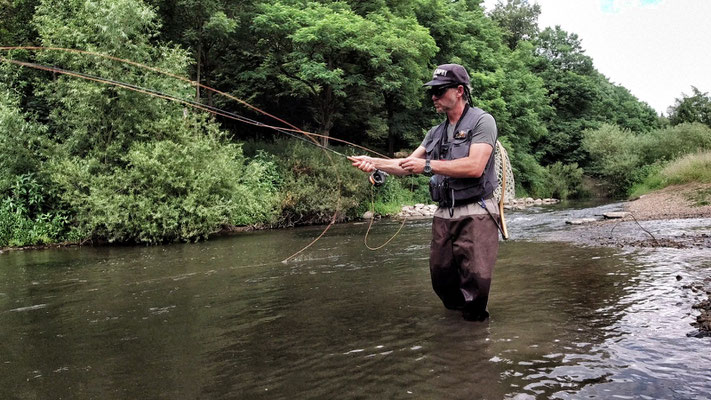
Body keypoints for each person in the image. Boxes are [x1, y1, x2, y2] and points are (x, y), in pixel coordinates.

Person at [349, 64, 500, 321]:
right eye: (432, 92)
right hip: (444, 214)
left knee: (476, 282)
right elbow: (406, 165)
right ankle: (458, 331)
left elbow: (475, 167)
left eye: (440, 91)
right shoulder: (435, 133)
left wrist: (428, 165)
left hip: (477, 211)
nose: (434, 97)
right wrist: (373, 162)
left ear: (459, 91)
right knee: (441, 277)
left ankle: (475, 337)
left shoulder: (482, 122)